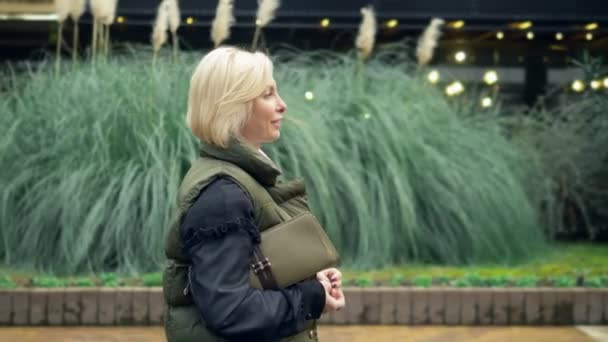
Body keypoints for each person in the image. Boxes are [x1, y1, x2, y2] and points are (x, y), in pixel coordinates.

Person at [162, 46, 346, 342]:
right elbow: (231, 311)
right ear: (234, 106)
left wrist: (311, 283)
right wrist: (312, 297)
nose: (282, 105)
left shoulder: (238, 178)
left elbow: (250, 274)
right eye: (267, 94)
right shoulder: (223, 194)